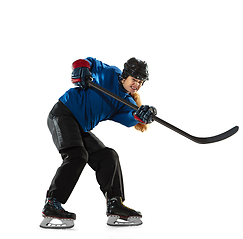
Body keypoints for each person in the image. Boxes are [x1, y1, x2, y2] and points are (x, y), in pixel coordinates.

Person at [40, 57, 157, 228]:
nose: (136, 85)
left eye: (140, 82)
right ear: (125, 76)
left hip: (81, 127)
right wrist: (81, 70)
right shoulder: (109, 72)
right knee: (77, 155)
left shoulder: (127, 103)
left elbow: (130, 118)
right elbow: (85, 61)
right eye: (134, 80)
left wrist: (141, 116)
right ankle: (52, 203)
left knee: (108, 156)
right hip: (63, 113)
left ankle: (115, 204)